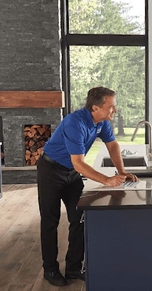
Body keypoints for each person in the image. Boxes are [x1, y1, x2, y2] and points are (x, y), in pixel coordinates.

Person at [37, 86, 138, 286]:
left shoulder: (101, 122)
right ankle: (50, 270)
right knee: (50, 221)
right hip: (51, 171)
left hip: (72, 174)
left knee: (80, 218)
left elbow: (113, 146)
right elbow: (79, 163)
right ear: (95, 108)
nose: (114, 111)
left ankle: (74, 267)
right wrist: (106, 180)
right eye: (111, 107)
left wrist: (122, 172)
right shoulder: (75, 123)